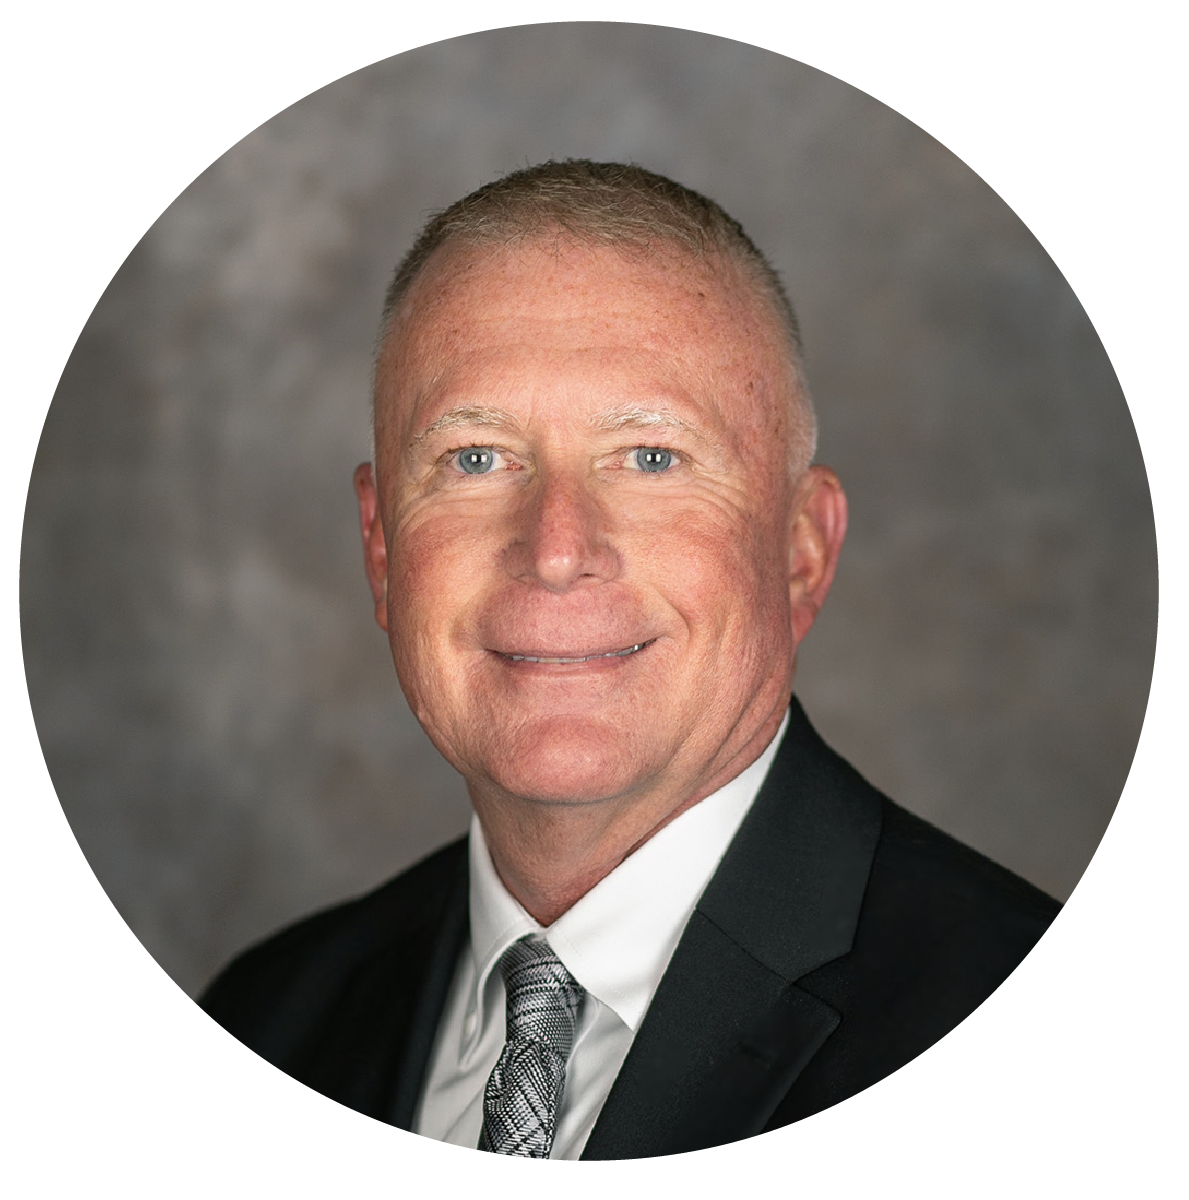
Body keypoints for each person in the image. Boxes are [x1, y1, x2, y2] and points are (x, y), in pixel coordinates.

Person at [197, 160, 1062, 1194]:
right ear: (382, 550)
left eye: (651, 457)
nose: (557, 549)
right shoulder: (262, 1026)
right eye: (476, 458)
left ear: (802, 551)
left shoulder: (1043, 1028)